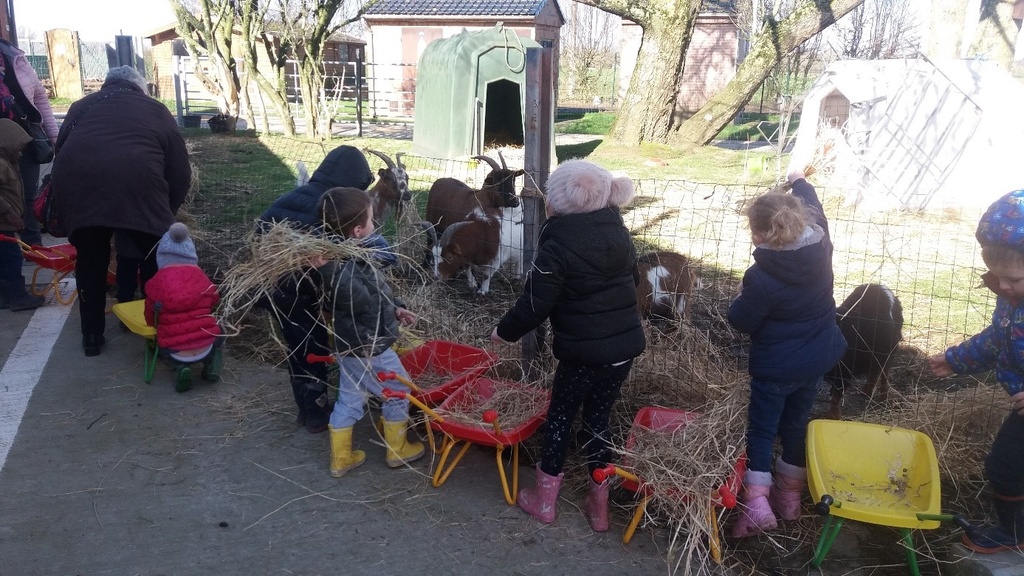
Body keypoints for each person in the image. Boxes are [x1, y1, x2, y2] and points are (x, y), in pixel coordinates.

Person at [489, 159, 646, 530]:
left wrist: (504, 332)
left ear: (555, 204)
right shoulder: (619, 232)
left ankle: (544, 501)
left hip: (582, 354)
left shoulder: (557, 243)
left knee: (559, 417)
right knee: (597, 420)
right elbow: (634, 278)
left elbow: (535, 304)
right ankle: (600, 506)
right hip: (623, 351)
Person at [726, 170, 846, 537]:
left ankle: (757, 505)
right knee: (796, 424)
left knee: (762, 430)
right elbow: (816, 208)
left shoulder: (761, 277)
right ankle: (790, 500)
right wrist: (799, 181)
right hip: (816, 360)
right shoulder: (820, 246)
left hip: (776, 368)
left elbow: (742, 320)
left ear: (759, 235)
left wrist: (736, 306)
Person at [51, 65, 191, 357]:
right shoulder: (155, 110)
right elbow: (180, 170)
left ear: (106, 84)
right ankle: (160, 331)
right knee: (155, 256)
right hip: (138, 185)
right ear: (139, 88)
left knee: (90, 260)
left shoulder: (80, 106)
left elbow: (61, 150)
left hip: (80, 185)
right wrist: (166, 214)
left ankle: (91, 337)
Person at [258, 145, 393, 434]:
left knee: (297, 348)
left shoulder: (291, 197)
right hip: (300, 293)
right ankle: (318, 414)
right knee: (313, 348)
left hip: (272, 288)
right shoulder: (332, 211)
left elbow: (260, 234)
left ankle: (306, 411)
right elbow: (379, 253)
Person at [929, 188, 1024, 553]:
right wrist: (955, 360)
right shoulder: (1012, 296)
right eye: (995, 276)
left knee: (1006, 466)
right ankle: (1015, 530)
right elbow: (1000, 338)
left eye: (1013, 279)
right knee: (1006, 466)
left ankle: (1016, 534)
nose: (1002, 286)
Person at [316, 187, 423, 477]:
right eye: (373, 220)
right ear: (358, 230)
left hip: (348, 346)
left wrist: (395, 307)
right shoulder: (341, 265)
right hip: (370, 347)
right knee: (399, 390)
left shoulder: (349, 253)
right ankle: (397, 449)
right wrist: (330, 272)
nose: (376, 225)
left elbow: (375, 293)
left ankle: (341, 458)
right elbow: (359, 299)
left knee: (350, 398)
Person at [145, 222, 223, 391]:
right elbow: (215, 298)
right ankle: (210, 364)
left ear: (161, 258)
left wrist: (153, 327)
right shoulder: (201, 277)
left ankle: (180, 368)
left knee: (165, 348)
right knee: (220, 330)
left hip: (175, 348)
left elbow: (151, 316)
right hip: (206, 342)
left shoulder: (155, 283)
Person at [0, 38, 58, 247]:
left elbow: (40, 97)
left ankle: (31, 244)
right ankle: (7, 247)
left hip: (24, 140)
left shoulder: (15, 57)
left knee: (27, 193)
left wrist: (53, 134)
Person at [0, 118, 44, 311]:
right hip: (2, 223)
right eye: (18, 148)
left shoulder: (7, 161)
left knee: (5, 260)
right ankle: (17, 296)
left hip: (5, 224)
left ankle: (4, 297)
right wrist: (9, 212)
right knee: (11, 260)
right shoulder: (1, 164)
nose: (20, 153)